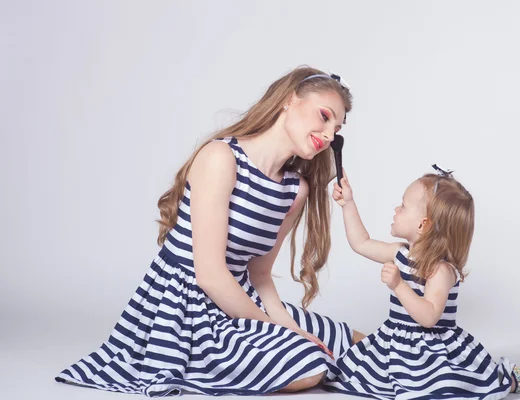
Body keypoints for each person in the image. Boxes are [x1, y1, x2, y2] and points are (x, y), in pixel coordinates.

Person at [55, 66, 366, 396]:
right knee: (309, 367)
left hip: (242, 297)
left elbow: (259, 276)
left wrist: (289, 327)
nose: (330, 135)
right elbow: (210, 276)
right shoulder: (221, 157)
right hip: (188, 306)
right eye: (324, 116)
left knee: (358, 343)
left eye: (337, 128)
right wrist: (280, 331)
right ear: (290, 101)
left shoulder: (294, 190)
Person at [324, 166, 520, 399]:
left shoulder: (440, 270)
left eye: (403, 206)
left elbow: (429, 317)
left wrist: (399, 285)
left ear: (422, 224)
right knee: (360, 373)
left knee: (444, 384)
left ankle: (508, 379)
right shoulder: (399, 253)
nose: (396, 209)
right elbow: (361, 243)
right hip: (397, 341)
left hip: (432, 349)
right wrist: (348, 204)